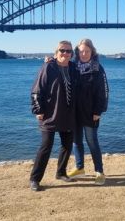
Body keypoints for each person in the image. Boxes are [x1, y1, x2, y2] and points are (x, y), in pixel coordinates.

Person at [29, 40, 80, 192]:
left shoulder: (74, 68)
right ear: (56, 52)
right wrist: (38, 110)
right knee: (46, 147)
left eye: (68, 51)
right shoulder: (48, 67)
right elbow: (37, 90)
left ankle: (61, 172)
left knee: (67, 145)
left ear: (72, 54)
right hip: (50, 114)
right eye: (62, 50)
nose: (65, 53)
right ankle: (35, 179)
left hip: (68, 114)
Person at [66, 38, 109, 185]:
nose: (84, 54)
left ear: (92, 52)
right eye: (81, 51)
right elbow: (57, 67)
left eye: (87, 51)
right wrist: (49, 61)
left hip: (91, 112)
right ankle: (79, 167)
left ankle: (99, 171)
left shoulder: (98, 68)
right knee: (76, 142)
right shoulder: (72, 67)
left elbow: (104, 92)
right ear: (77, 52)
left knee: (92, 142)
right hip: (74, 112)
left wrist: (99, 110)